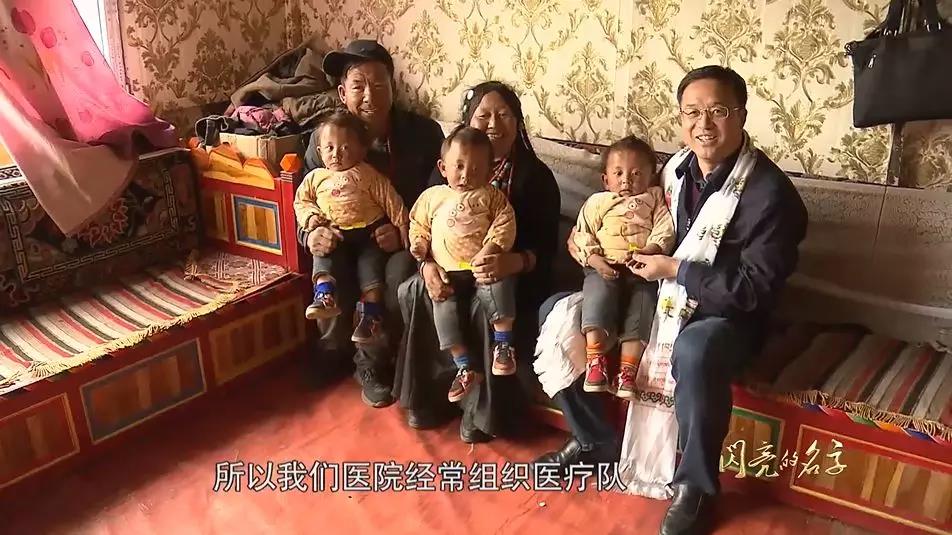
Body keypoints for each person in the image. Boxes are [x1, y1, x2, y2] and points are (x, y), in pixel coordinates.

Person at [534, 66, 807, 535]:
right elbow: (624, 219)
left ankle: (696, 486)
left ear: (741, 115)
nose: (704, 124)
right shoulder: (675, 170)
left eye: (718, 111)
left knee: (696, 349)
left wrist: (676, 270)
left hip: (728, 315)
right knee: (555, 312)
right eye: (692, 112)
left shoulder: (770, 194)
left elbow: (753, 290)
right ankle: (595, 439)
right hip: (653, 294)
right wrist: (583, 244)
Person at [393, 81, 561, 443]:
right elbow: (422, 225)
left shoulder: (536, 178)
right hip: (448, 267)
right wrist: (427, 266)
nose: (493, 124)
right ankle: (430, 398)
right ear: (469, 120)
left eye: (504, 115)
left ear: (518, 123)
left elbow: (547, 250)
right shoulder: (446, 172)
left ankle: (479, 412)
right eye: (483, 115)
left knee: (488, 301)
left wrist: (511, 262)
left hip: (510, 275)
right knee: (420, 289)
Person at [298, 40, 444, 407]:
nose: (369, 95)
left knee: (394, 276)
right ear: (342, 93)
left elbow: (439, 200)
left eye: (379, 84)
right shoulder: (323, 138)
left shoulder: (424, 135)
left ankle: (371, 362)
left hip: (398, 239)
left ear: (393, 87)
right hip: (339, 234)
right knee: (328, 263)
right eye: (358, 85)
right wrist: (311, 232)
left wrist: (403, 232)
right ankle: (333, 348)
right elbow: (305, 196)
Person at [408, 126, 519, 402]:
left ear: (490, 172)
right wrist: (420, 247)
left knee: (498, 285)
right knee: (442, 308)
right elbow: (418, 225)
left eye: (476, 169)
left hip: (481, 268)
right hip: (446, 271)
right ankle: (465, 366)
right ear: (442, 167)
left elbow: (505, 223)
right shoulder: (432, 197)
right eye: (458, 166)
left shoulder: (492, 197)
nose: (466, 175)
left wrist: (492, 248)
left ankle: (504, 345)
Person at [294, 110, 409, 346]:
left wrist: (402, 226)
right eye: (329, 148)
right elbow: (301, 202)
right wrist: (311, 220)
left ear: (361, 151)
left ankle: (371, 317)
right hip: (334, 233)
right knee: (323, 257)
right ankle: (324, 295)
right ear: (319, 151)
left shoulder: (367, 174)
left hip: (368, 234)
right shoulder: (316, 177)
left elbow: (391, 199)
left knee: (371, 271)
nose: (336, 154)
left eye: (345, 148)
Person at [571, 135, 674, 398]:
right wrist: (594, 260)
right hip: (603, 267)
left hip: (641, 271)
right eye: (618, 173)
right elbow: (582, 233)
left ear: (652, 177)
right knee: (597, 295)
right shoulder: (598, 201)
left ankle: (627, 372)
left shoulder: (654, 198)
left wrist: (650, 250)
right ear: (605, 179)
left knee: (643, 304)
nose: (626, 180)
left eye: (636, 173)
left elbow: (665, 229)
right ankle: (596, 361)